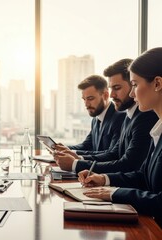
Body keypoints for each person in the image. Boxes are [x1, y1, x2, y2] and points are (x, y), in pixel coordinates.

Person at [79, 47, 162, 228]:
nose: (132, 94)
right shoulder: (157, 130)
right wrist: (104, 179)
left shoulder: (146, 122)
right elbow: (143, 177)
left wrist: (114, 193)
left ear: (157, 84)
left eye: (135, 85)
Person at [55, 58, 158, 173]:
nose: (112, 95)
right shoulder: (129, 116)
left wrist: (76, 164)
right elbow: (114, 153)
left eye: (117, 88)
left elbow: (128, 164)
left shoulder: (142, 117)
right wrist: (75, 157)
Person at [55, 75, 125, 155]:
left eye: (90, 98)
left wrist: (73, 153)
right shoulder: (95, 119)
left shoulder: (120, 117)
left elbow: (111, 154)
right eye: (84, 99)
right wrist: (64, 148)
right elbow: (86, 145)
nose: (86, 104)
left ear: (105, 95)